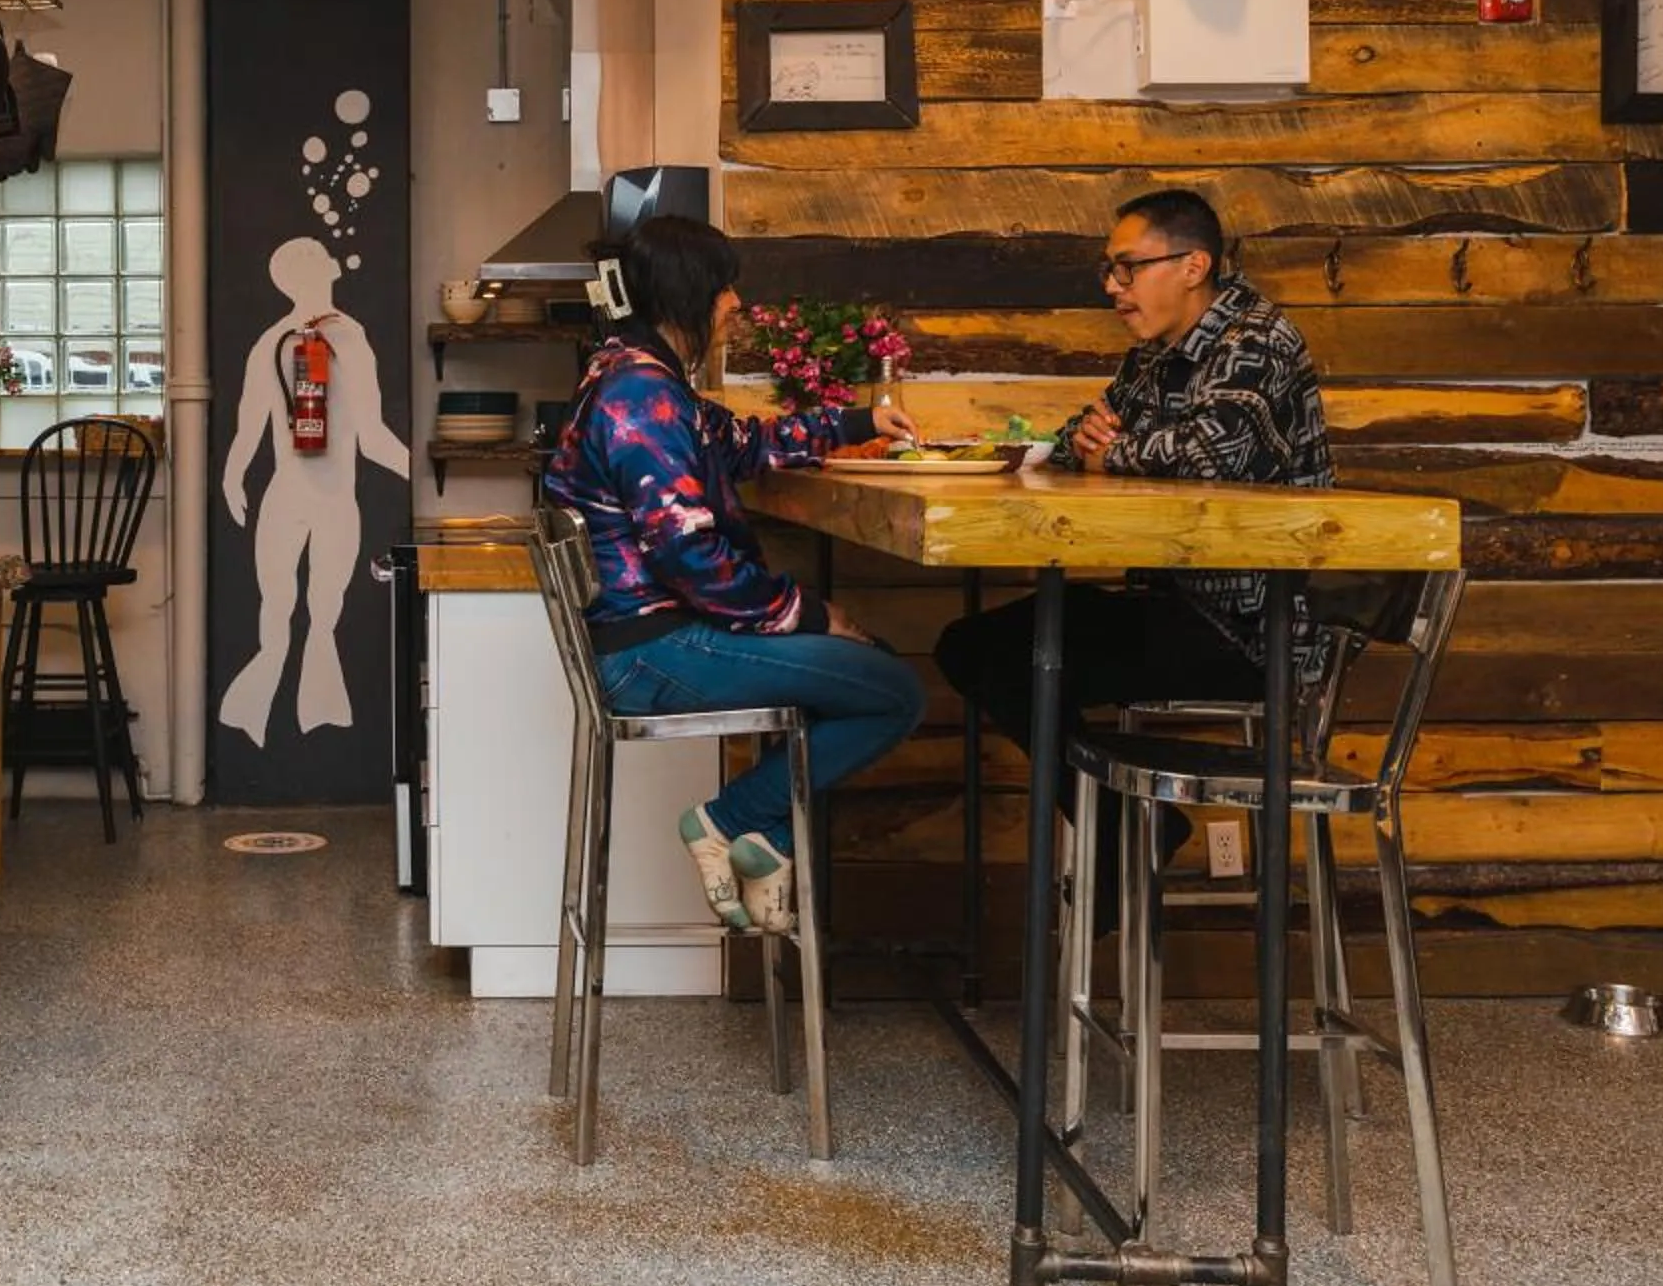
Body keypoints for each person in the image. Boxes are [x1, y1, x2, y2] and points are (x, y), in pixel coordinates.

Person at [932, 188, 1334, 915]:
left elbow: (1213, 455)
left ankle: (1126, 833)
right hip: (1179, 601)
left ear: (1193, 265)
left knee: (1016, 657)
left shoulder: (1257, 341)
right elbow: (1092, 433)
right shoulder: (1157, 355)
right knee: (975, 646)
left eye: (1126, 269)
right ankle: (1125, 826)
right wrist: (1082, 447)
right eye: (1109, 273)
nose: (1113, 289)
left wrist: (1112, 451)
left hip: (1254, 627)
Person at [541, 217, 930, 935]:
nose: (734, 306)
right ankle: (728, 821)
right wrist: (809, 614)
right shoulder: (641, 397)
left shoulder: (639, 376)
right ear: (693, 292)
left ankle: (766, 843)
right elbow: (689, 557)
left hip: (648, 639)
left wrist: (854, 422)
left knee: (839, 684)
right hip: (651, 652)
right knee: (892, 690)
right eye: (724, 289)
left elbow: (742, 443)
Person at [220, 236, 410, 745]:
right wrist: (420, 473)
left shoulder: (272, 340)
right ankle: (311, 714)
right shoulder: (346, 338)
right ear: (326, 268)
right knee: (319, 608)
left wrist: (232, 475)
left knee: (283, 606)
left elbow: (247, 428)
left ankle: (268, 712)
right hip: (329, 499)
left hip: (286, 496)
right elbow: (371, 437)